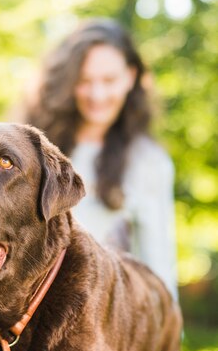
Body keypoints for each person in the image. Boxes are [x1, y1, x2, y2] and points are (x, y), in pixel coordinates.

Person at [23, 17, 178, 301]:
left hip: (96, 317)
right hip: (20, 314)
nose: (98, 94)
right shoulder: (29, 148)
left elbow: (158, 265)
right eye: (84, 81)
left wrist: (168, 338)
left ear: (131, 76)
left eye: (109, 80)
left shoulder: (148, 162)